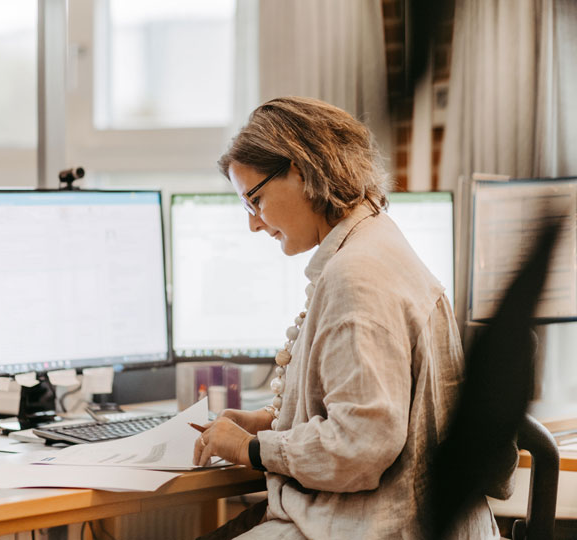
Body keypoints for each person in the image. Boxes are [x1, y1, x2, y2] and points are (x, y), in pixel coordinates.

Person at [192, 96, 504, 539]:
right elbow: (373, 408)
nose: (254, 225)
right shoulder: (375, 240)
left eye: (254, 200)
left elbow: (361, 444)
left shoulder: (355, 275)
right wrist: (270, 422)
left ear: (300, 170)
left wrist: (254, 448)